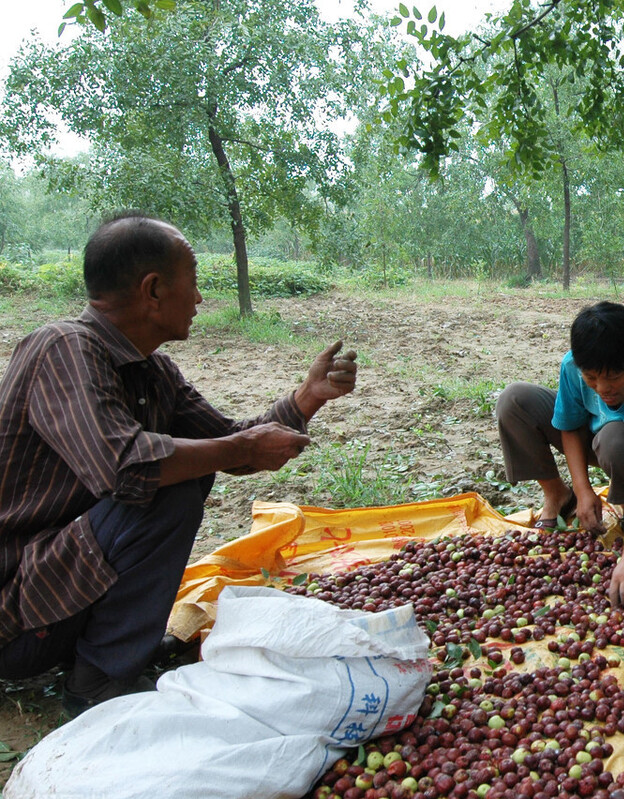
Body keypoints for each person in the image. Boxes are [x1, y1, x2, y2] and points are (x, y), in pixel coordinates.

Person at [0, 213, 358, 715]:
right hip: (20, 611)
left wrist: (305, 400)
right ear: (153, 290)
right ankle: (98, 682)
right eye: (193, 284)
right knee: (164, 483)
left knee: (184, 467)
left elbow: (227, 441)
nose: (200, 299)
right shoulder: (62, 349)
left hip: (65, 596)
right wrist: (240, 448)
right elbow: (125, 467)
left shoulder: (152, 370)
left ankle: (115, 650)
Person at [495, 301, 624, 606]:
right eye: (591, 377)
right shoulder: (573, 367)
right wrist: (582, 488)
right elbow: (571, 425)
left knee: (614, 439)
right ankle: (558, 496)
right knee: (514, 401)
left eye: (613, 376)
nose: (603, 388)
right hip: (598, 435)